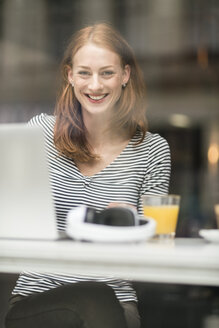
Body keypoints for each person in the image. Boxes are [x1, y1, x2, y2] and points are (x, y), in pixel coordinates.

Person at [5, 23, 171, 328]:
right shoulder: (40, 132)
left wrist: (134, 224)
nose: (95, 85)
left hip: (117, 302)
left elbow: (159, 244)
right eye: (84, 73)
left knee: (101, 298)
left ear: (125, 75)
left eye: (106, 72)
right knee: (95, 299)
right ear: (70, 76)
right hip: (39, 299)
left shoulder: (152, 151)